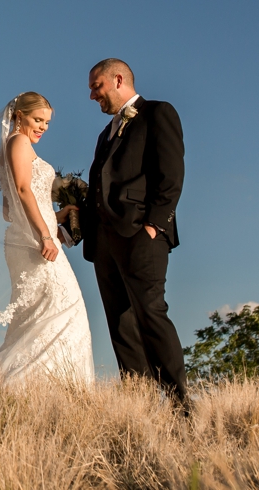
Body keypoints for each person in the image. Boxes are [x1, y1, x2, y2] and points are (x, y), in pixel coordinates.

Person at [62, 58, 188, 406]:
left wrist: (153, 225)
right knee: (121, 325)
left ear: (118, 79)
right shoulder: (105, 133)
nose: (91, 95)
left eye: (95, 86)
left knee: (150, 313)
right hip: (104, 242)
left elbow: (171, 175)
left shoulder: (157, 113)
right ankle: (140, 405)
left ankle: (181, 404)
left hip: (140, 235)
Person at [0, 92, 95, 383]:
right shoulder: (19, 142)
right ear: (19, 115)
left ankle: (32, 385)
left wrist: (58, 217)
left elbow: (10, 212)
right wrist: (47, 235)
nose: (43, 128)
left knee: (38, 316)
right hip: (37, 243)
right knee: (66, 309)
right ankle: (47, 384)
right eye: (38, 120)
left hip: (26, 238)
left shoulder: (8, 147)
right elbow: (24, 190)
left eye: (47, 123)